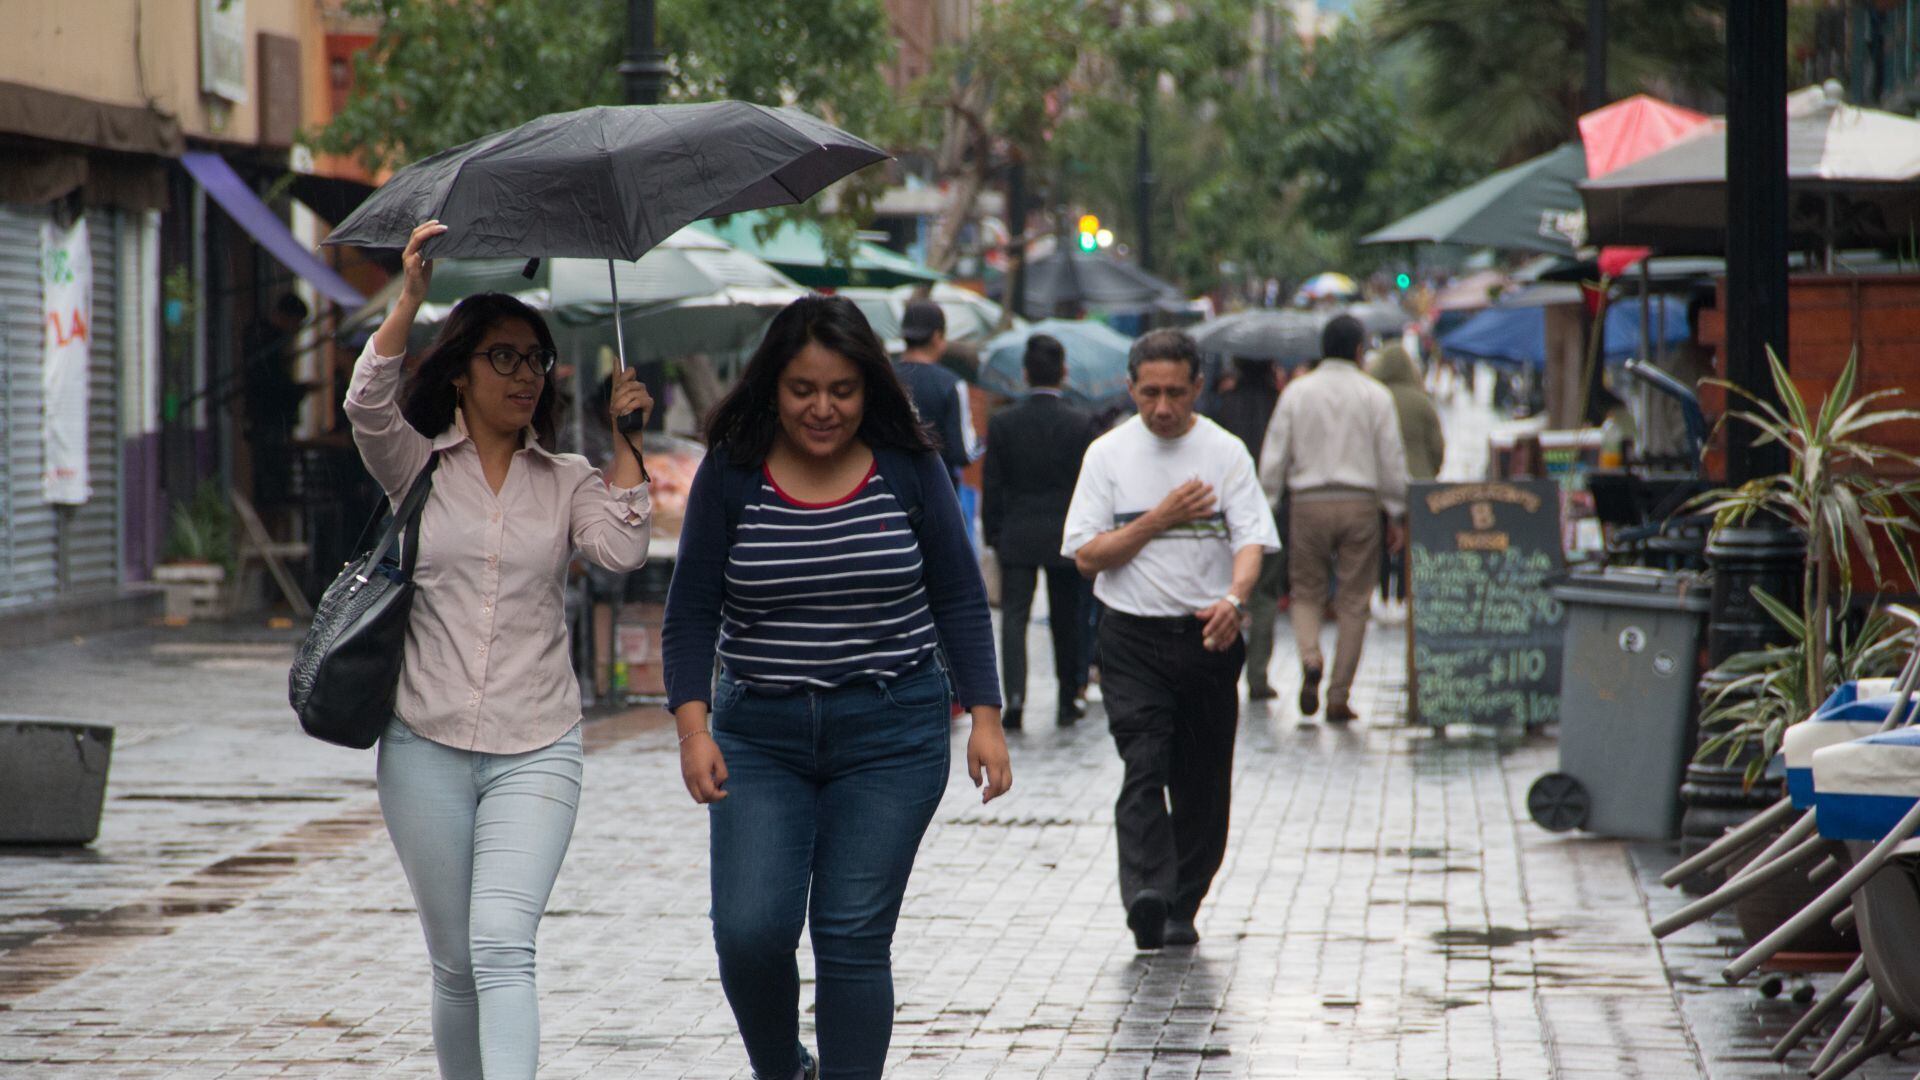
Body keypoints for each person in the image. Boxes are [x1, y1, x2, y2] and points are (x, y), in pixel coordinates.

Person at [661, 294, 1012, 1080]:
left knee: (852, 936)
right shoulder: (733, 469)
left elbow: (958, 592)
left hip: (891, 733)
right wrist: (694, 729)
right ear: (773, 388)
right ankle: (784, 1067)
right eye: (802, 390)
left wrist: (986, 716)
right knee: (750, 932)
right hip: (759, 734)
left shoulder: (907, 464)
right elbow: (690, 611)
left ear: (870, 388)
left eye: (842, 391)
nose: (822, 409)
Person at [345, 221, 653, 1080]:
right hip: (423, 743)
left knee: (502, 943)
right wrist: (409, 298)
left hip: (537, 744)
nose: (525, 375)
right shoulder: (419, 468)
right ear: (462, 371)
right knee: (454, 962)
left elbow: (622, 552)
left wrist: (628, 444)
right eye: (505, 357)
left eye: (537, 360)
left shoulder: (567, 480)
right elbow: (366, 405)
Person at [1061, 329, 1278, 951]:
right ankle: (1147, 894)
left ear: (1198, 389)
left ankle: (1184, 902)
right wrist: (1161, 518)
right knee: (1143, 763)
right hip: (1130, 636)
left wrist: (1235, 599)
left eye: (1175, 393)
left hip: (1209, 636)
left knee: (1203, 780)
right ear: (1130, 388)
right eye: (1149, 393)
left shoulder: (1226, 452)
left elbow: (1250, 540)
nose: (1162, 407)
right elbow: (1085, 557)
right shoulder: (1106, 455)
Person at [1258, 314, 1409, 725]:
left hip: (1307, 502)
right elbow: (1391, 458)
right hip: (1360, 503)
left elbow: (1275, 453)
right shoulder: (1375, 395)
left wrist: (1268, 502)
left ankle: (1310, 658)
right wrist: (1396, 511)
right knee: (1354, 603)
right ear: (1360, 351)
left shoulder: (1297, 393)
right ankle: (1339, 694)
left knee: (1306, 593)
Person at [982, 334, 1098, 729]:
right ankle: (1069, 698)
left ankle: (1014, 698)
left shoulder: (1003, 423)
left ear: (1025, 373)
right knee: (1068, 618)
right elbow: (1088, 487)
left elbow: (992, 483)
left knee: (1014, 618)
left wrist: (993, 533)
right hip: (1064, 533)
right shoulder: (1082, 424)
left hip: (1017, 531)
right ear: (1064, 372)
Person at [1200, 355, 1286, 700]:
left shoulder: (1224, 406)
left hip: (1225, 510)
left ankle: (1221, 664)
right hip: (1271, 507)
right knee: (1263, 595)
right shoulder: (1278, 402)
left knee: (1225, 589)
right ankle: (1258, 676)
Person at [1368, 343, 1444, 616]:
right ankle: (1406, 595)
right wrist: (1431, 472)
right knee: (1412, 543)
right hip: (1419, 483)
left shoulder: (1377, 397)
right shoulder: (1421, 400)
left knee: (1382, 541)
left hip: (1380, 483)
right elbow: (1437, 445)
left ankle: (1383, 593)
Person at [892, 299, 978, 487]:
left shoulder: (884, 376)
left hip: (890, 491)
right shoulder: (951, 384)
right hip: (937, 493)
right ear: (937, 337)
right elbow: (963, 453)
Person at [243, 293, 314, 509]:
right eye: (297, 323)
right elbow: (271, 385)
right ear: (287, 317)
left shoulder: (265, 338)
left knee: (274, 486)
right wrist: (299, 390)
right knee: (272, 487)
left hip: (270, 423)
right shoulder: (266, 341)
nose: (296, 330)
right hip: (269, 424)